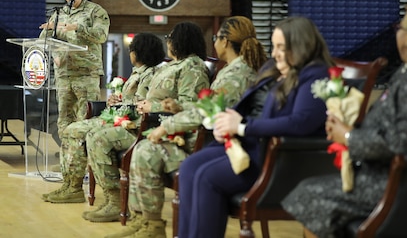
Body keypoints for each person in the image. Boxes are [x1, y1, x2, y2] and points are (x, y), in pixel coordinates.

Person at [105, 16, 268, 238]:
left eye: (216, 38)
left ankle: (152, 225)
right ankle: (145, 221)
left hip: (210, 145)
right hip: (209, 140)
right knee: (144, 148)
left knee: (146, 151)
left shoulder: (236, 75)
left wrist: (167, 126)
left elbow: (207, 111)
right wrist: (178, 108)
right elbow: (205, 107)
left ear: (226, 42)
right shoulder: (233, 70)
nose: (214, 42)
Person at [177, 16, 335, 238]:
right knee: (189, 167)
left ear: (301, 45)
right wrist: (229, 121)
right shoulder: (276, 68)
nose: (275, 53)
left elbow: (300, 123)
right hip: (250, 144)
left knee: (206, 177)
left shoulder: (316, 74)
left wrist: (241, 126)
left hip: (277, 157)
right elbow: (254, 106)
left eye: (282, 47)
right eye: (274, 46)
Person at [281, 13, 407, 238]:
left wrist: (349, 137)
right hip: (377, 172)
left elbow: (398, 143)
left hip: (391, 183)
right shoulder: (403, 73)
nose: (401, 36)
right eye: (401, 29)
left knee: (308, 195)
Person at [84, 21, 210, 223]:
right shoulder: (173, 65)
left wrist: (153, 108)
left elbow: (190, 105)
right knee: (94, 135)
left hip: (161, 128)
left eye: (170, 38)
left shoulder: (193, 68)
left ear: (181, 40)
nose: (168, 42)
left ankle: (117, 204)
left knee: (99, 139)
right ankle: (114, 201)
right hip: (146, 122)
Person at [42, 33, 165, 204]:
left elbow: (145, 105)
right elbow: (132, 101)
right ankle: (71, 185)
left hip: (129, 125)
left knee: (76, 131)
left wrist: (123, 106)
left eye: (131, 50)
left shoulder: (153, 75)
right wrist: (116, 101)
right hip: (118, 118)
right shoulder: (139, 72)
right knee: (71, 130)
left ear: (137, 53)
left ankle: (85, 190)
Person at [38, 0, 110, 139]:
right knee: (64, 122)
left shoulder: (95, 11)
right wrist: (55, 53)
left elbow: (101, 35)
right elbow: (44, 39)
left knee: (87, 121)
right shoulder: (58, 15)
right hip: (63, 75)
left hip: (86, 75)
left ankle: (86, 163)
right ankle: (68, 162)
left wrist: (77, 27)